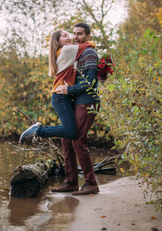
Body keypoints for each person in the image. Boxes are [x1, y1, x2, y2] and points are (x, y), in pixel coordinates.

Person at [19, 30, 95, 144]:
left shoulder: (60, 52)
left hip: (63, 96)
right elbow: (89, 45)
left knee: (70, 130)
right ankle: (38, 131)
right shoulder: (66, 50)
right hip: (61, 97)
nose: (69, 37)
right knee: (70, 132)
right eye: (64, 36)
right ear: (57, 41)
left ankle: (38, 129)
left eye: (68, 35)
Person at [52, 23, 100, 196]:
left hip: (87, 101)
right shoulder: (77, 53)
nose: (75, 37)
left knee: (78, 140)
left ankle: (91, 183)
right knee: (67, 139)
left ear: (87, 36)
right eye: (73, 34)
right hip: (76, 101)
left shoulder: (89, 52)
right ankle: (71, 182)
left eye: (79, 34)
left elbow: (91, 82)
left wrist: (68, 90)